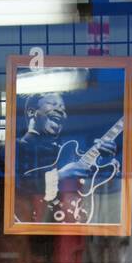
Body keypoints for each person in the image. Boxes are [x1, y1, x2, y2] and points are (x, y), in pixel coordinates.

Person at [13, 89, 120, 225]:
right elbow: (17, 185)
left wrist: (104, 160)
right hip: (31, 218)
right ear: (31, 112)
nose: (61, 111)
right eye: (53, 104)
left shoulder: (67, 150)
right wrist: (61, 175)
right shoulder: (16, 147)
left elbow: (106, 189)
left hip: (69, 220)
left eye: (63, 108)